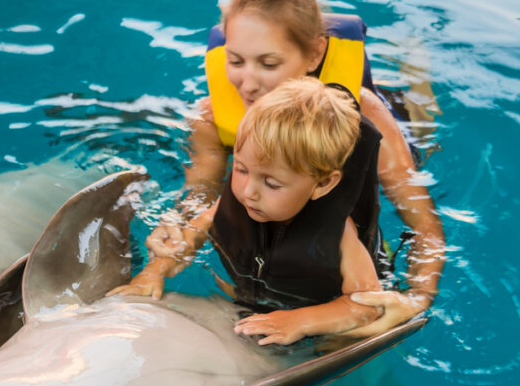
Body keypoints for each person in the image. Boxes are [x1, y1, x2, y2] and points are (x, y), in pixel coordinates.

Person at [147, 0, 445, 337]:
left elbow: (424, 225)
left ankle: (416, 68)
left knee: (424, 126)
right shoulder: (211, 116)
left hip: (381, 119)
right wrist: (175, 225)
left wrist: (416, 297)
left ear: (314, 53)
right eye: (235, 61)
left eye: (268, 64)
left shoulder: (363, 115)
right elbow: (200, 193)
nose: (247, 85)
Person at [111, 78, 381, 345]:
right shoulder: (239, 198)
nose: (248, 191)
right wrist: (155, 271)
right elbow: (193, 233)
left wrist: (301, 321)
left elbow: (368, 306)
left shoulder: (341, 234)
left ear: (322, 184)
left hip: (306, 314)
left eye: (271, 183)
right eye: (241, 169)